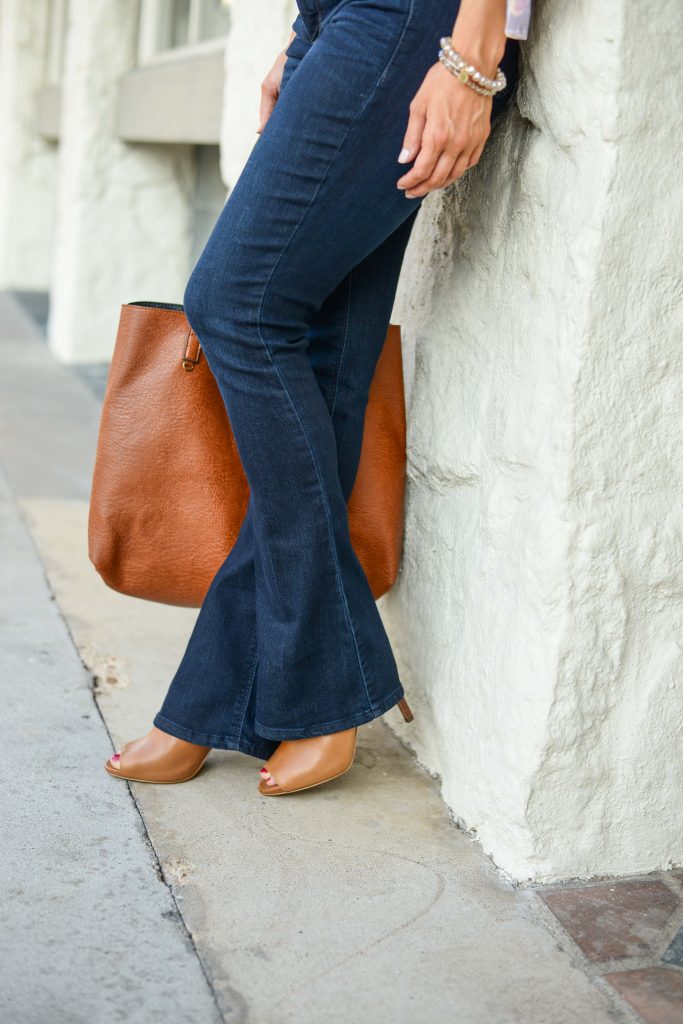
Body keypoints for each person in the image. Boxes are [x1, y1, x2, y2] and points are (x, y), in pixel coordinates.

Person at [105, 0, 528, 796]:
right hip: (340, 21)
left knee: (237, 303)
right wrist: (300, 35)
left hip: (411, 19)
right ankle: (216, 703)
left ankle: (328, 686)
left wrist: (471, 54)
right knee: (325, 356)